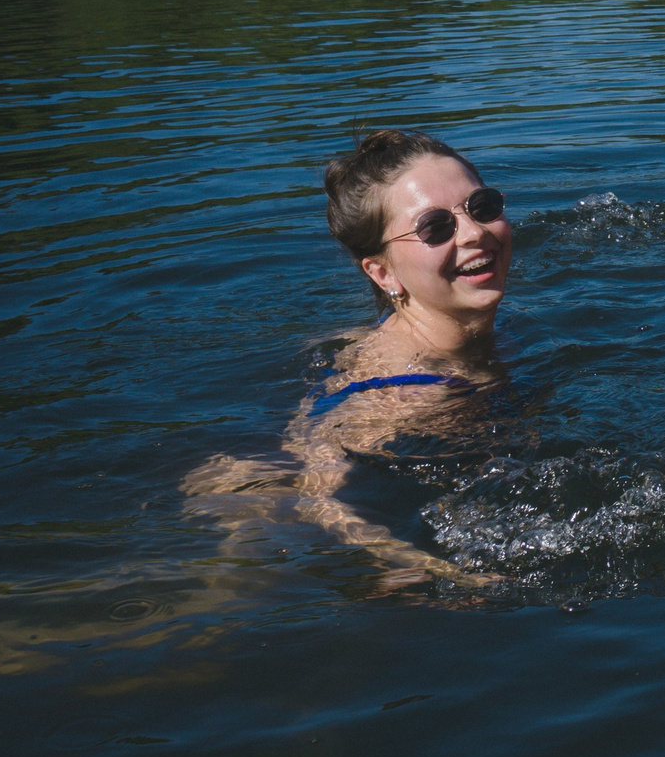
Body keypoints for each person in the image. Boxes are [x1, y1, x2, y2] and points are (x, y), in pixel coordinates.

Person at [184, 128, 514, 586]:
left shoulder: (440, 339)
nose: (476, 233)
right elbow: (319, 494)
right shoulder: (412, 387)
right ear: (382, 272)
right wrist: (438, 572)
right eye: (436, 228)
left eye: (483, 207)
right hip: (260, 544)